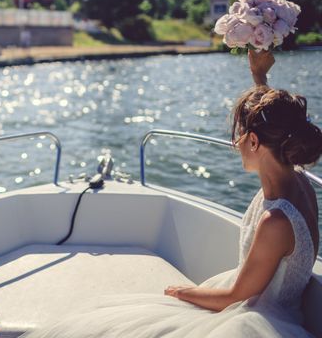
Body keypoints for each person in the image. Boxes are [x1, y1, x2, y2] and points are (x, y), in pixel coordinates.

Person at [22, 50, 321, 338]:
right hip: (273, 309)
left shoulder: (276, 221)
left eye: (239, 135)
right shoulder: (296, 179)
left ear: (254, 141)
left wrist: (181, 292)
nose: (234, 144)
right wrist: (259, 76)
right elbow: (276, 124)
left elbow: (233, 297)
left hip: (256, 320)